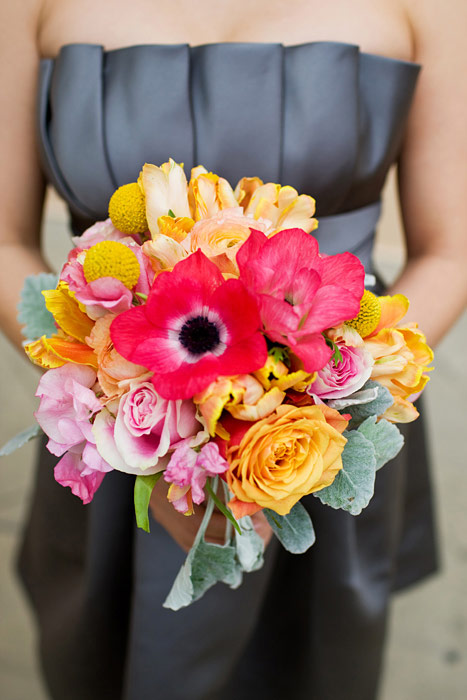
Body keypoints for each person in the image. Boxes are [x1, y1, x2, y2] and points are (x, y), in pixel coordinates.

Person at [1, 0, 466, 698]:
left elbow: (450, 251)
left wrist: (299, 413)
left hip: (321, 435)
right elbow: (5, 242)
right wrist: (136, 424)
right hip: (113, 432)